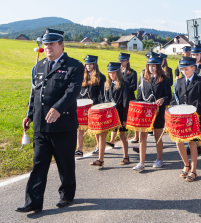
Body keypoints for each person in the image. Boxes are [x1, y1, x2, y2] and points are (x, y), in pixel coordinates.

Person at [16, 28, 84, 213]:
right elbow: (34, 94)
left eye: (52, 44)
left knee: (65, 163)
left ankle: (67, 194)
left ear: (62, 45)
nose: (48, 48)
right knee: (38, 165)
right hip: (40, 126)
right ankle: (33, 202)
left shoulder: (74, 66)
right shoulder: (37, 67)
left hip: (63, 126)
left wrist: (58, 109)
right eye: (45, 44)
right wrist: (29, 115)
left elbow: (72, 92)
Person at [170, 57, 201, 182]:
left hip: (194, 119)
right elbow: (173, 99)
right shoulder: (179, 82)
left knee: (192, 143)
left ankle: (193, 170)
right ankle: (186, 164)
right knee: (178, 142)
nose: (184, 72)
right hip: (180, 118)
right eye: (182, 69)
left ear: (193, 68)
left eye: (187, 69)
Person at [133, 52, 172, 171]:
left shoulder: (164, 79)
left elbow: (169, 96)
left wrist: (163, 99)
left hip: (158, 112)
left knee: (157, 137)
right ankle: (141, 162)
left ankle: (159, 159)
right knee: (142, 137)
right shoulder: (144, 79)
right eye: (149, 65)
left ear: (159, 66)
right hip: (145, 112)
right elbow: (139, 97)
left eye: (154, 65)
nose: (151, 67)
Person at [90, 62, 130, 166]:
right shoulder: (106, 84)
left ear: (118, 72)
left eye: (113, 72)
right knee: (103, 136)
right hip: (108, 114)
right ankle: (100, 160)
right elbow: (103, 99)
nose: (111, 74)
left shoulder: (124, 84)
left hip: (120, 114)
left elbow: (125, 101)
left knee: (122, 136)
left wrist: (125, 118)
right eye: (110, 72)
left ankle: (126, 157)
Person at [75, 55, 106, 157]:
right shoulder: (81, 75)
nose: (88, 66)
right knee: (79, 128)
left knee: (95, 128)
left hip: (94, 106)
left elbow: (102, 94)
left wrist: (99, 106)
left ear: (95, 64)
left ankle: (98, 147)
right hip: (81, 105)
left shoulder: (101, 77)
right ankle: (79, 149)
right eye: (87, 64)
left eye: (91, 64)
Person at [107, 53, 137, 147]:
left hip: (129, 98)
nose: (121, 63)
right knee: (116, 120)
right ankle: (112, 140)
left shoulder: (132, 73)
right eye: (120, 61)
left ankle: (136, 136)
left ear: (127, 61)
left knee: (129, 121)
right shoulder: (116, 71)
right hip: (118, 99)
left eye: (123, 61)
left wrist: (124, 88)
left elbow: (133, 87)